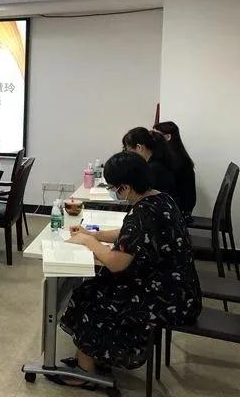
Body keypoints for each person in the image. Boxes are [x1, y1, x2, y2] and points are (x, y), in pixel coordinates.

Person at [55, 152, 201, 386]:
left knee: (93, 295)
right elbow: (127, 234)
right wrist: (94, 234)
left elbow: (116, 263)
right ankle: (92, 356)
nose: (113, 192)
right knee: (93, 287)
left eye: (114, 187)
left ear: (126, 187)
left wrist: (89, 242)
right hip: (180, 289)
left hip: (166, 299)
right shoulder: (160, 198)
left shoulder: (142, 212)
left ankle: (85, 371)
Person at [122, 127, 178, 207]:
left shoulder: (153, 168)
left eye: (128, 150)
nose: (128, 155)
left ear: (139, 147)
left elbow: (141, 195)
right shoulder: (158, 161)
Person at [154, 121, 196, 217]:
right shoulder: (176, 155)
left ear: (168, 137)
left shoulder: (174, 159)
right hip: (180, 206)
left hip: (179, 210)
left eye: (156, 135)